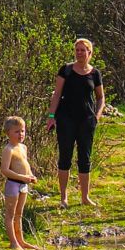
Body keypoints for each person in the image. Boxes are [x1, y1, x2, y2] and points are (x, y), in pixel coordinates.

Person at [45, 38, 106, 208]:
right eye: (77, 50)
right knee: (65, 156)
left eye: (83, 50)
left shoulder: (95, 74)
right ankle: (63, 197)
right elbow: (56, 94)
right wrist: (51, 115)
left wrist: (97, 116)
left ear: (89, 53)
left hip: (86, 120)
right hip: (66, 119)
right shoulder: (66, 70)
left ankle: (85, 197)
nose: (79, 53)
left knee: (84, 158)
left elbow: (101, 97)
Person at [0, 116, 40, 250]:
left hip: (24, 184)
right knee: (10, 214)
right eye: (16, 131)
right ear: (8, 133)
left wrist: (31, 176)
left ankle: (21, 241)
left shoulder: (23, 147)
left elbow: (25, 164)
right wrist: (22, 177)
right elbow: (4, 170)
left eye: (22, 131)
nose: (20, 134)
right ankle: (13, 242)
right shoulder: (8, 149)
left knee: (19, 214)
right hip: (13, 184)